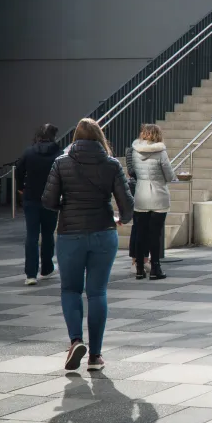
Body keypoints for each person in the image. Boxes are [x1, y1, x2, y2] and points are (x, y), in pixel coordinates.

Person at [42, 118, 133, 372]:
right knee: (97, 293)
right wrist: (121, 219)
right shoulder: (112, 164)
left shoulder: (61, 163)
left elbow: (48, 201)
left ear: (75, 138)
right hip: (104, 232)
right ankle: (95, 356)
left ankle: (75, 341)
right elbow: (127, 204)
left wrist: (67, 208)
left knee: (70, 290)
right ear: (99, 137)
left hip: (70, 234)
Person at [16, 123, 62, 285]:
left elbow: (18, 171)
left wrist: (21, 188)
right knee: (48, 233)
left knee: (32, 235)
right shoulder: (58, 153)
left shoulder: (29, 152)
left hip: (31, 197)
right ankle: (47, 268)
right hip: (51, 198)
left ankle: (30, 273)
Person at [130, 124, 174, 281]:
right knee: (155, 234)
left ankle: (140, 269)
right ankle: (156, 268)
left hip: (141, 194)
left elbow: (134, 171)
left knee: (140, 233)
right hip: (158, 194)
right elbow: (168, 175)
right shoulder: (161, 152)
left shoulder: (135, 151)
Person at [124, 143, 145, 276]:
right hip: (138, 187)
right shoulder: (132, 151)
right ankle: (135, 260)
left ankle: (145, 259)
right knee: (138, 226)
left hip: (146, 188)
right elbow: (131, 171)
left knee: (144, 227)